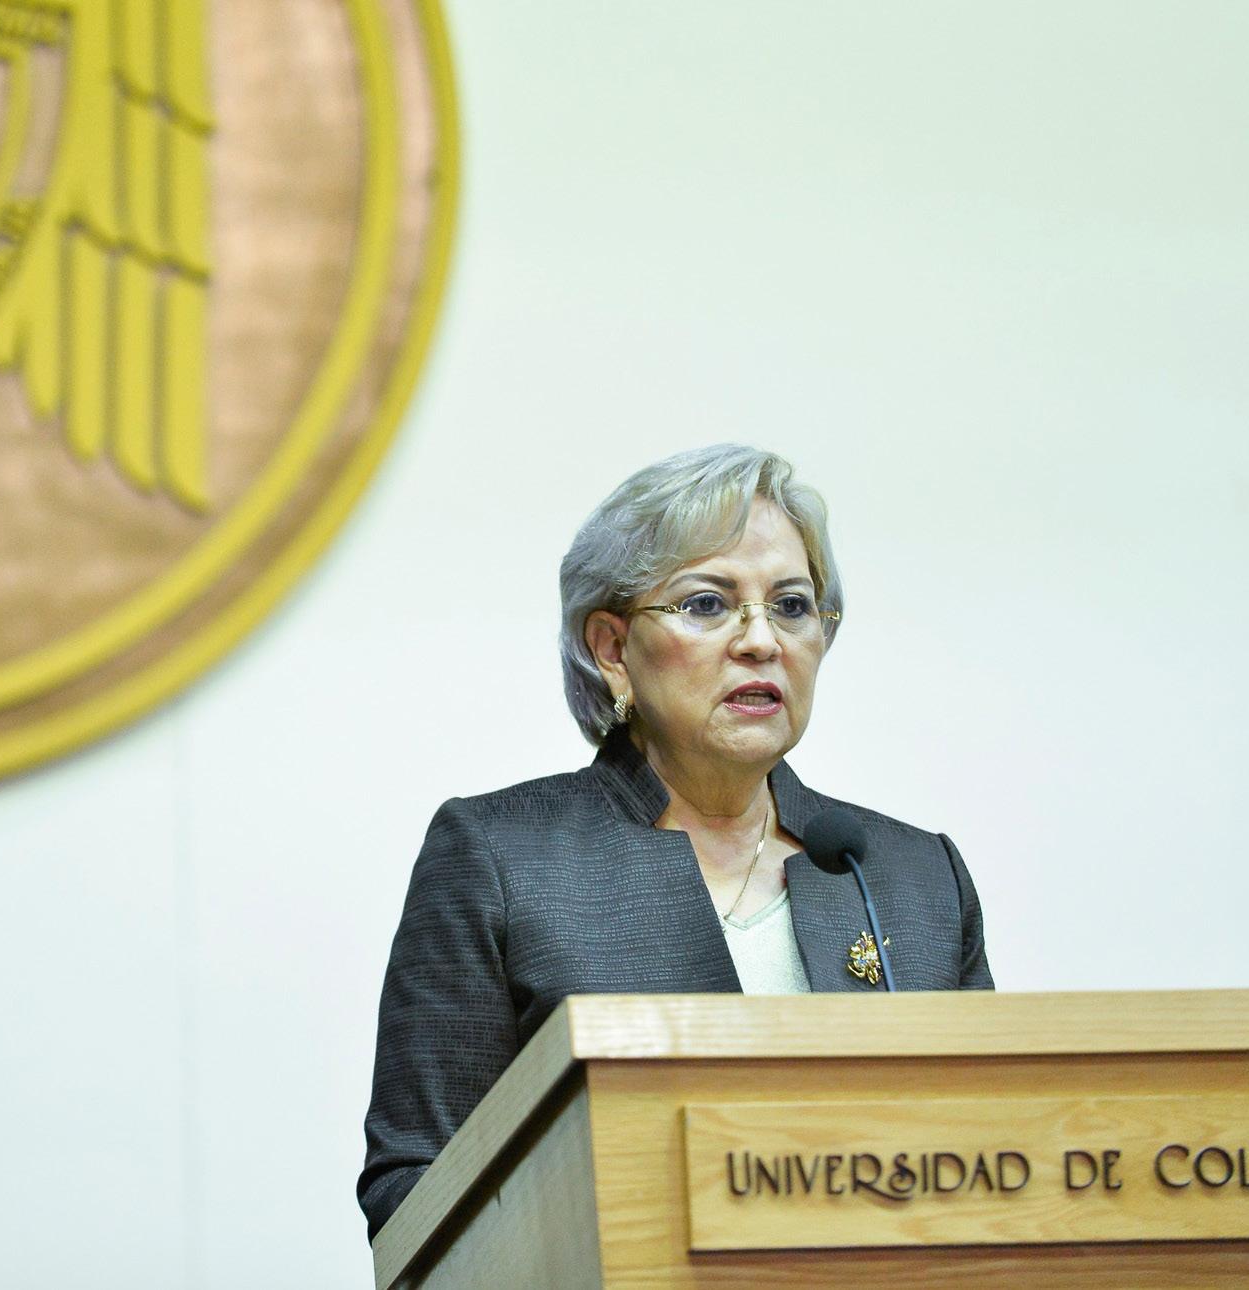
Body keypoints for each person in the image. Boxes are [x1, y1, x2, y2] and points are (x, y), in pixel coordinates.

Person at [356, 444, 994, 1238]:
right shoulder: (504, 860)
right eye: (707, 604)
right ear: (612, 648)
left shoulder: (910, 877)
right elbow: (414, 1191)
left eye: (792, 606)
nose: (762, 640)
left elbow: (999, 1153)